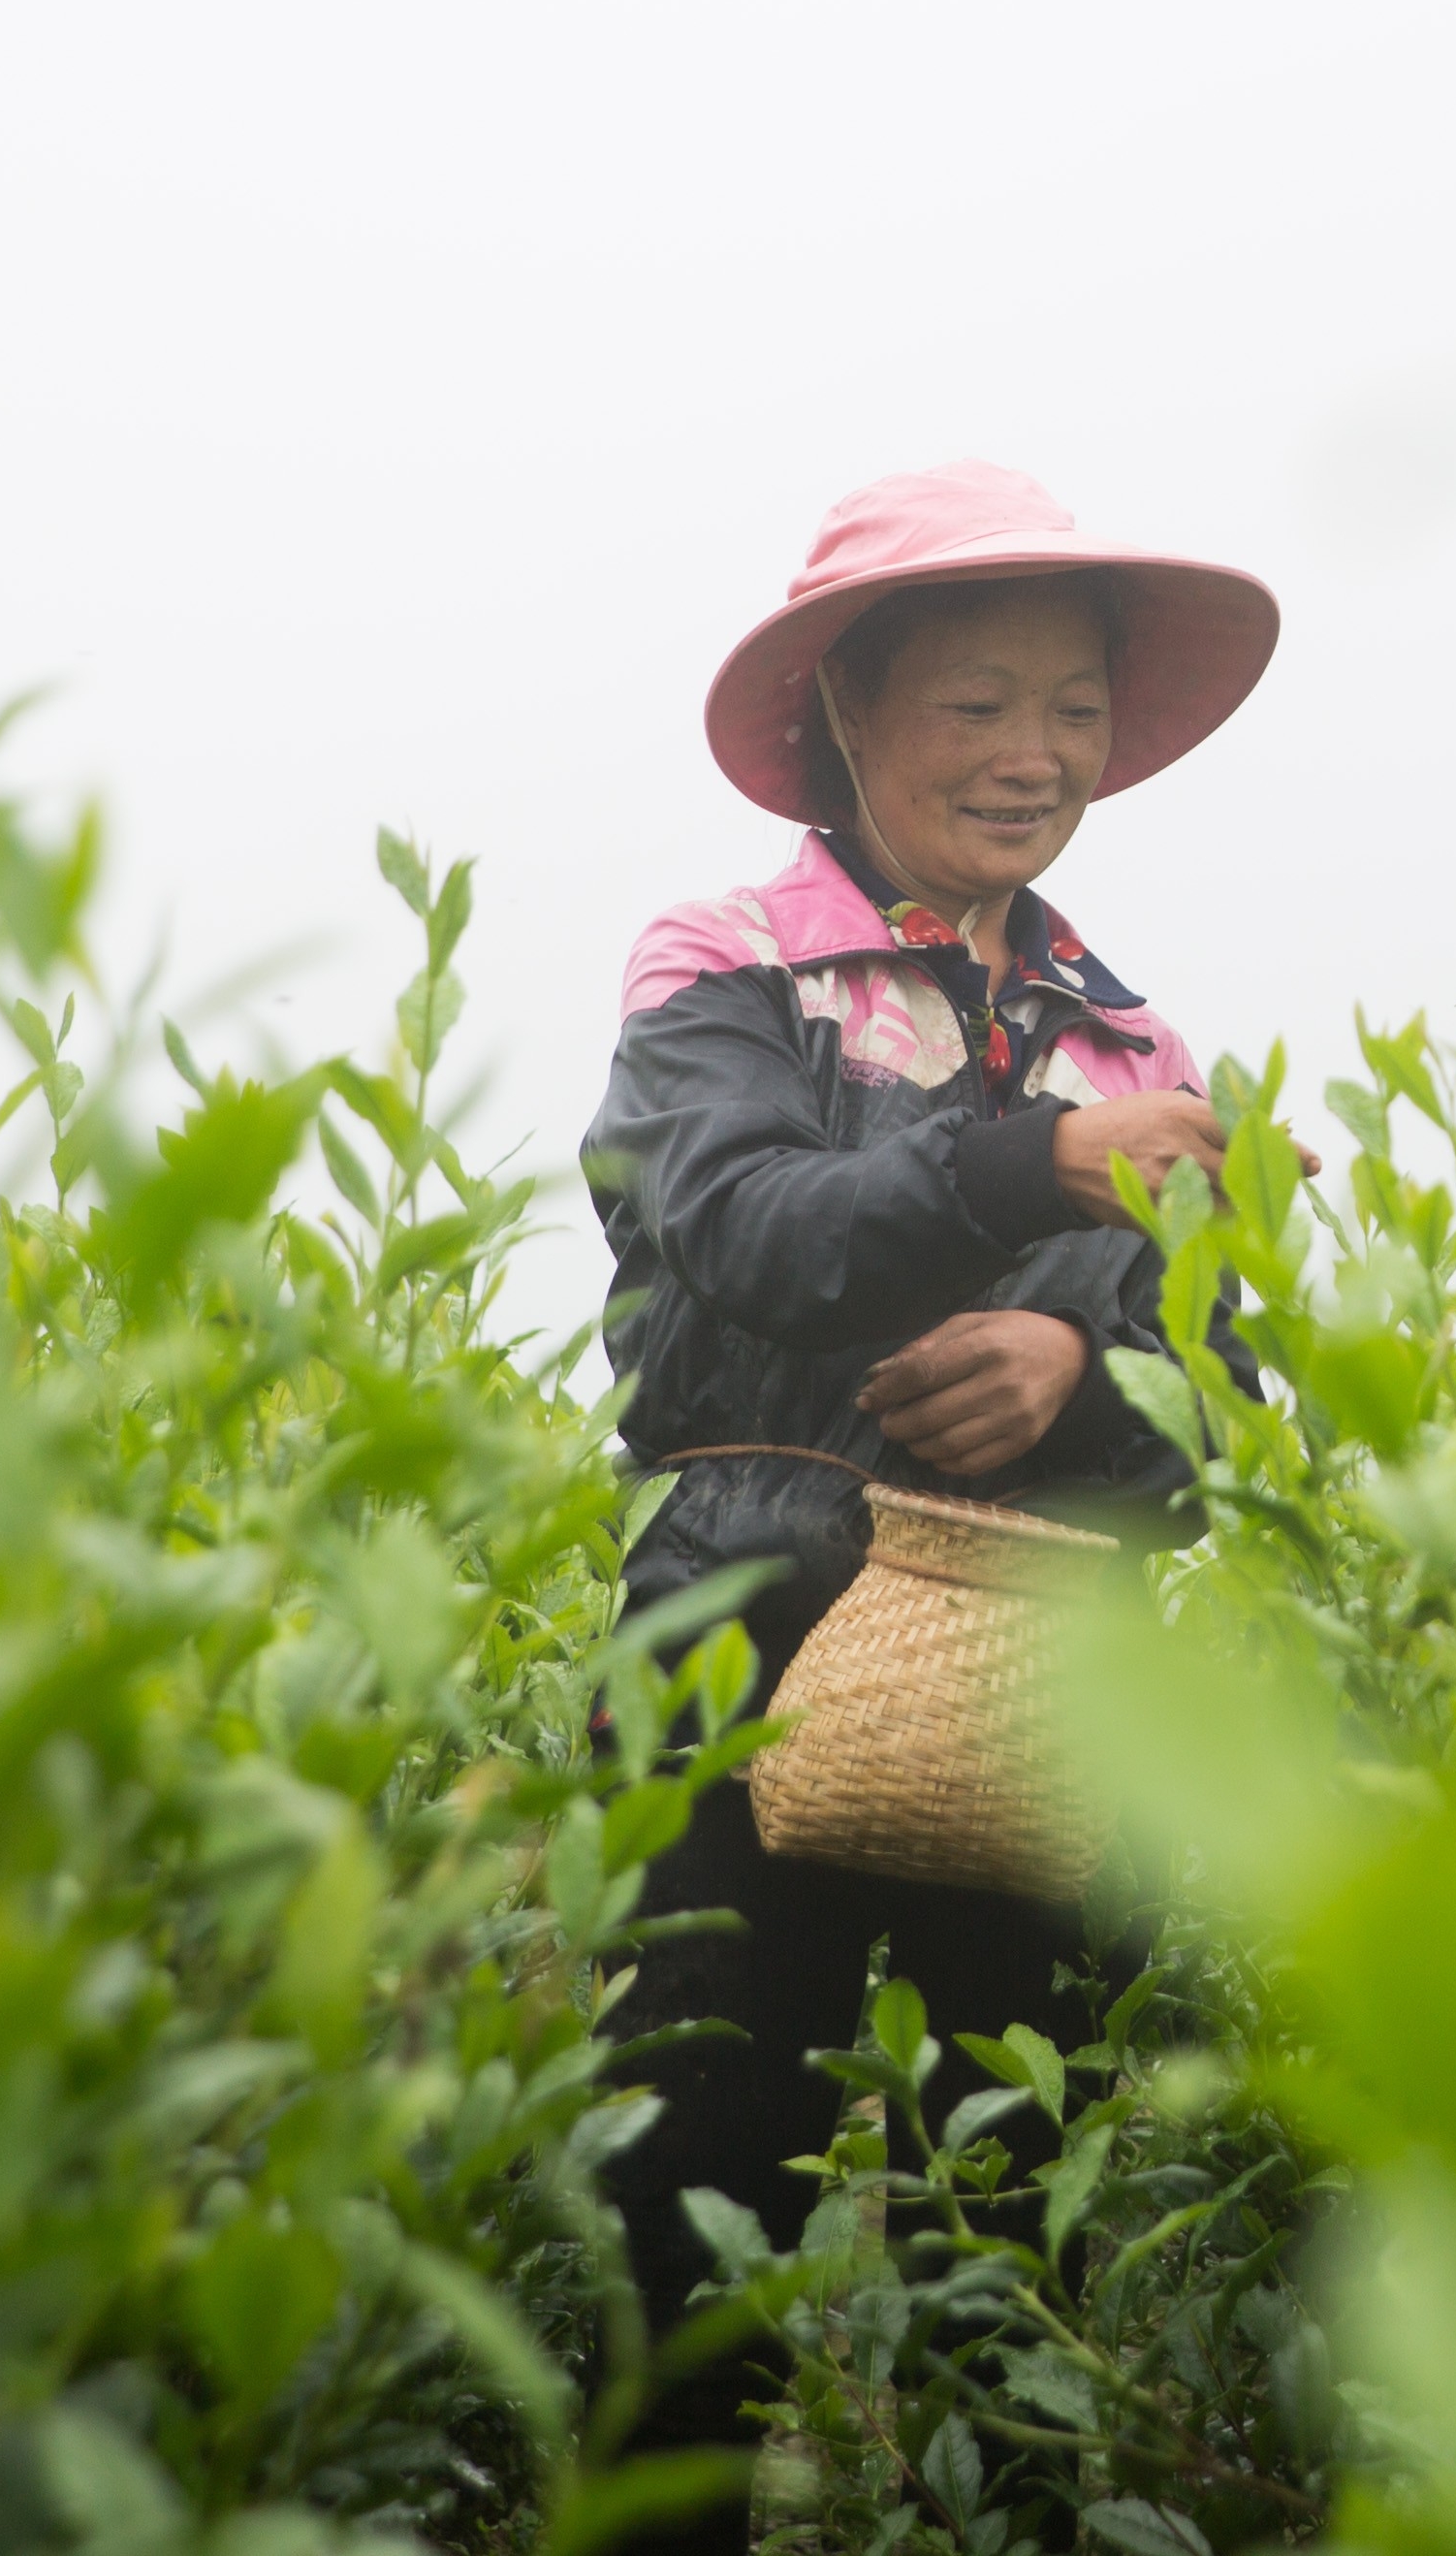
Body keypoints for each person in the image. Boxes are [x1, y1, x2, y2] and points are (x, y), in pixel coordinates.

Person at [575, 460, 1279, 2528]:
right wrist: (1038, 1179)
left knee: (1011, 2255)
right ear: (849, 717)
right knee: (686, 2220)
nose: (1032, 754)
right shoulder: (728, 968)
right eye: (974, 704)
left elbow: (1239, 1371)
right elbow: (751, 1235)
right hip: (741, 1635)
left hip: (1033, 1668)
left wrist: (1089, 1356)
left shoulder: (1120, 1031)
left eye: (1069, 708)